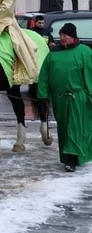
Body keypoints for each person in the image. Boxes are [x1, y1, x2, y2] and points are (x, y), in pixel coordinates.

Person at [37, 22, 92, 172]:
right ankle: (67, 157)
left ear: (73, 37)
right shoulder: (53, 53)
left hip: (77, 97)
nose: (62, 38)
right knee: (63, 128)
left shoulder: (85, 52)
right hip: (59, 98)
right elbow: (44, 75)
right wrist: (42, 95)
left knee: (73, 128)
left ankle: (72, 159)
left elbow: (89, 74)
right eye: (60, 35)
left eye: (65, 35)